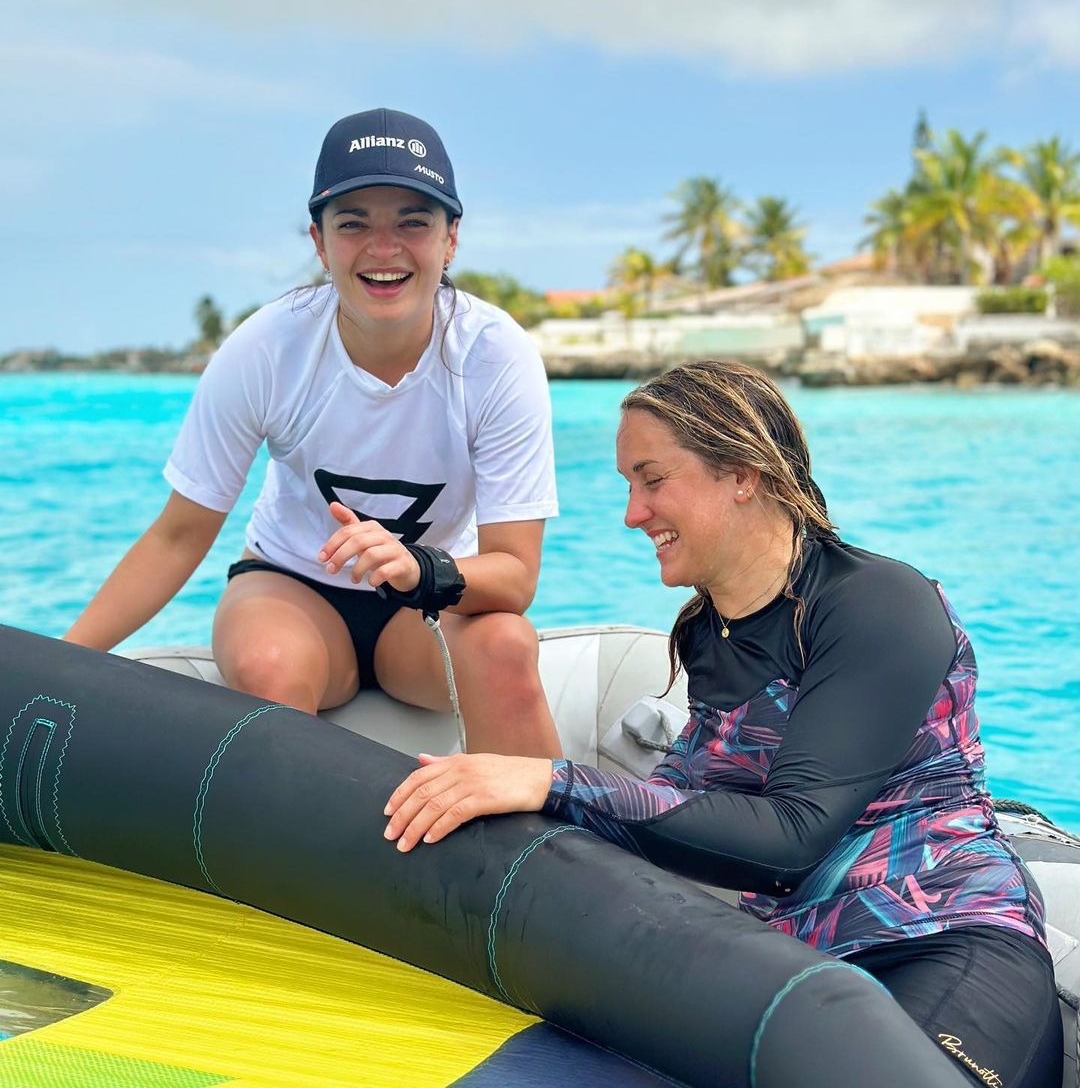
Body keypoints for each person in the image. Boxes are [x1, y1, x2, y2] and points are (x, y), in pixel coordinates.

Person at [384, 360, 1063, 1087]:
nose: (633, 514)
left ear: (742, 474)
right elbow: (680, 807)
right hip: (793, 978)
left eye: (651, 480)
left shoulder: (878, 604)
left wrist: (550, 781)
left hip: (943, 943)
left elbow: (790, 839)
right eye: (628, 486)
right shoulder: (711, 631)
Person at [65, 107, 562, 757]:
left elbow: (515, 574)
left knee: (506, 644)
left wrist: (417, 567)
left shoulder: (495, 356)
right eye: (353, 223)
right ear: (320, 242)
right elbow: (178, 535)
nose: (383, 248)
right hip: (290, 586)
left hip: (428, 604)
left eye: (413, 221)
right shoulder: (268, 347)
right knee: (270, 665)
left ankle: (563, 819)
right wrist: (57, 665)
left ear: (451, 239)